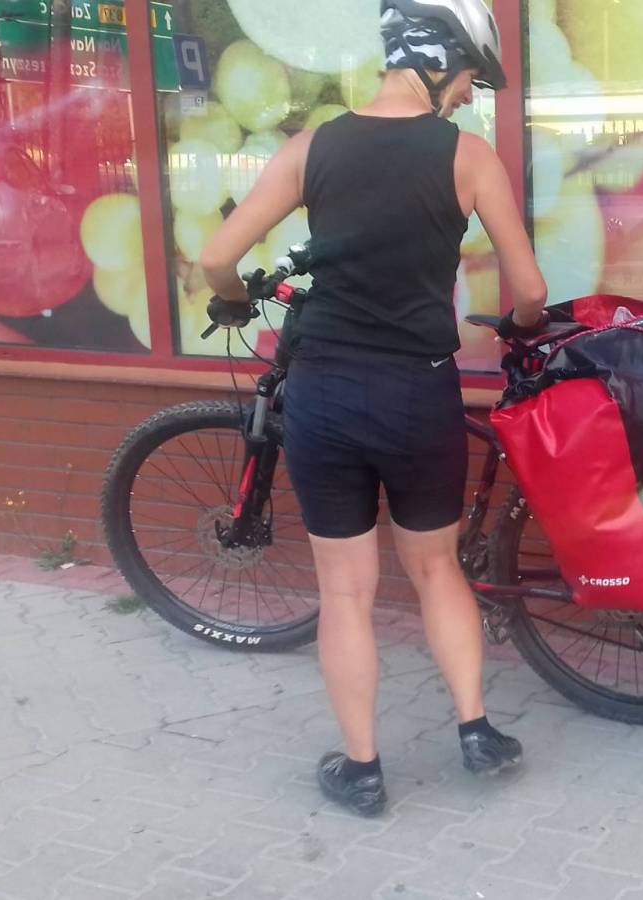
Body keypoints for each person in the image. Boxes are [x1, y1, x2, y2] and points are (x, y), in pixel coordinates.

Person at [198, 0, 548, 818]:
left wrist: (234, 299)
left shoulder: (310, 147)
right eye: (468, 79)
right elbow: (530, 289)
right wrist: (525, 324)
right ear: (437, 63)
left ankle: (361, 770)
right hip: (418, 393)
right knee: (435, 569)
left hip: (325, 394)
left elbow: (217, 259)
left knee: (347, 592)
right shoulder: (468, 157)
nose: (468, 95)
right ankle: (476, 730)